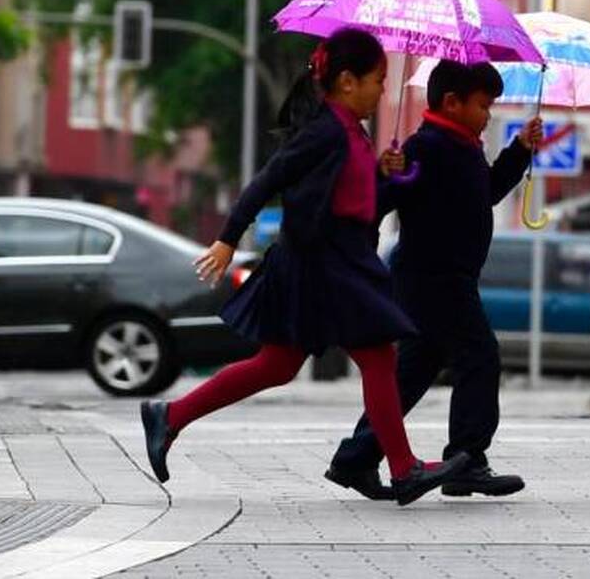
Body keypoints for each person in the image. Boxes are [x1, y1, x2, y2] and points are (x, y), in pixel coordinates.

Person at [140, 28, 470, 506]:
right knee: (378, 357)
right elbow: (267, 180)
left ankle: (170, 417)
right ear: (346, 81)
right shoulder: (324, 131)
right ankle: (404, 469)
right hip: (322, 264)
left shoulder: (352, 131)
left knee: (276, 365)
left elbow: (359, 202)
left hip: (338, 260)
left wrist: (385, 173)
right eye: (377, 80)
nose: (382, 89)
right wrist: (227, 240)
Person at [326, 60, 542, 500]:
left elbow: (486, 192)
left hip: (442, 277)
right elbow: (383, 200)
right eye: (484, 105)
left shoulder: (461, 145)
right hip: (434, 277)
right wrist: (387, 173)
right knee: (480, 357)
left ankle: (355, 460)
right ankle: (468, 459)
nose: (488, 114)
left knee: (413, 371)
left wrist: (520, 149)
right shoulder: (428, 147)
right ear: (451, 102)